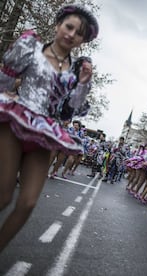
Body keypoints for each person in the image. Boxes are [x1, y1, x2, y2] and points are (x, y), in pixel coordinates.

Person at [0, 3, 98, 253]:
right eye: (69, 27)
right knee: (3, 194)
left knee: (28, 202)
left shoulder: (76, 71)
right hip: (16, 120)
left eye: (78, 34)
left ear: (81, 41)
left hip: (45, 131)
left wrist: (83, 84)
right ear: (58, 25)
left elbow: (70, 110)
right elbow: (5, 81)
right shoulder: (31, 48)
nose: (71, 34)